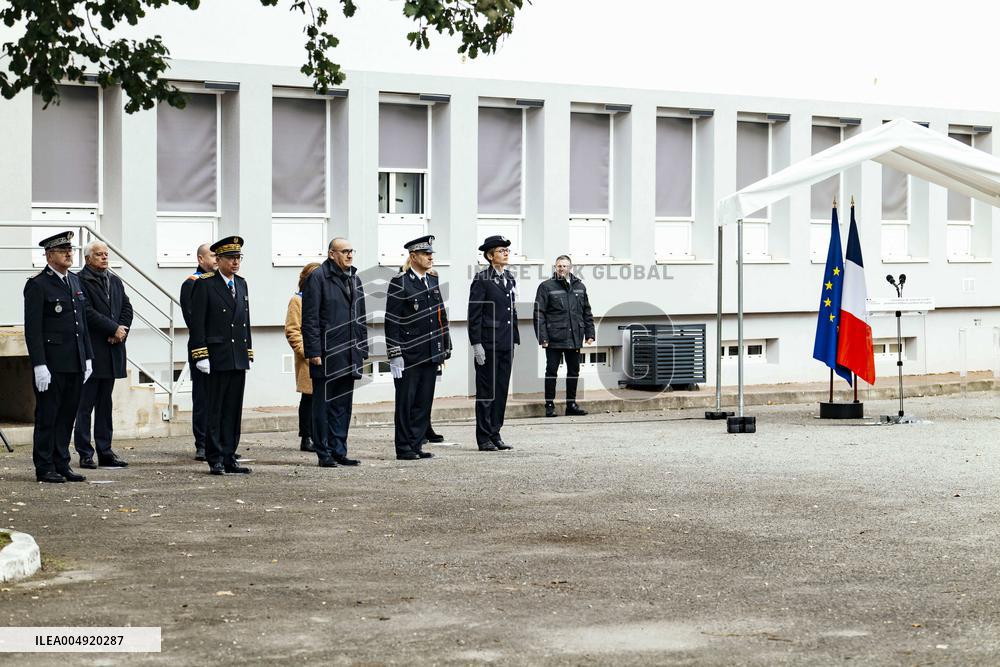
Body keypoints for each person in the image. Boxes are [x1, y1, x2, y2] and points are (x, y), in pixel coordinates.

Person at [23, 231, 93, 483]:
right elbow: (33, 329)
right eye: (63, 251)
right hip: (52, 364)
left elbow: (81, 323)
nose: (69, 254)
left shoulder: (74, 281)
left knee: (67, 416)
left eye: (70, 250)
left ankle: (62, 463)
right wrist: (39, 364)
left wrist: (87, 357)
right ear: (49, 255)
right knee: (48, 417)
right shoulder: (38, 285)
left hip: (74, 361)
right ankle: (44, 466)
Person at [188, 237, 253, 475]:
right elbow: (198, 323)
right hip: (216, 356)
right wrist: (201, 354)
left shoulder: (242, 284)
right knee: (214, 409)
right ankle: (214, 456)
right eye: (230, 258)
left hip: (236, 355)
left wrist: (248, 351)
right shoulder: (205, 284)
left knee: (233, 410)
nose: (235, 262)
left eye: (238, 258)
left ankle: (229, 456)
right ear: (219, 260)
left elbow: (244, 321)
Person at [302, 237, 368, 468]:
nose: (350, 255)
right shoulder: (318, 277)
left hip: (349, 352)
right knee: (324, 405)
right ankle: (324, 452)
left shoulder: (354, 278)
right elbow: (309, 319)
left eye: (352, 251)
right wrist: (313, 351)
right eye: (344, 251)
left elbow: (360, 317)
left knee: (343, 405)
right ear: (332, 254)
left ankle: (339, 449)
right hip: (327, 353)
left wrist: (363, 348)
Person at [385, 235, 452, 460]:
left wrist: (444, 344)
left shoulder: (432, 281)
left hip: (430, 352)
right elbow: (392, 320)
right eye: (425, 254)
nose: (430, 257)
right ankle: (404, 447)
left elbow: (439, 315)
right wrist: (394, 354)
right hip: (409, 354)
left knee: (423, 401)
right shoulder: (400, 282)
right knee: (406, 402)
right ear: (413, 256)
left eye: (431, 254)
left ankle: (416, 445)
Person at [73, 241, 133, 468]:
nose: (104, 258)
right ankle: (85, 453)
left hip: (112, 349)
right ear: (88, 259)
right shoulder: (79, 280)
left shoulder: (114, 280)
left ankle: (105, 451)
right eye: (99, 255)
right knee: (85, 404)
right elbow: (85, 311)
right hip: (92, 350)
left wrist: (121, 330)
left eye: (106, 254)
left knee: (105, 405)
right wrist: (111, 328)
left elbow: (127, 308)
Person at [468, 235, 519, 451]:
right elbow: (475, 313)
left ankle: (496, 432)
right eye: (501, 250)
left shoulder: (509, 278)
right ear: (490, 256)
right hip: (489, 344)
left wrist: (514, 338)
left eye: (507, 250)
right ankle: (483, 437)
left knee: (501, 390)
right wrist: (476, 344)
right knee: (487, 391)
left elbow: (511, 311)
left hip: (506, 342)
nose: (506, 253)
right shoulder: (482, 279)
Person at [533, 254, 595, 417]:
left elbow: (586, 312)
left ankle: (571, 405)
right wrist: (543, 338)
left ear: (570, 267)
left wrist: (590, 333)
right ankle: (549, 405)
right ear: (555, 267)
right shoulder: (546, 286)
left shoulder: (580, 286)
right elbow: (539, 314)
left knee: (574, 371)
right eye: (559, 266)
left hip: (575, 337)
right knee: (551, 371)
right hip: (554, 337)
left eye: (565, 266)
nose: (562, 268)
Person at [180, 243, 216, 461]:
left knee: (219, 399)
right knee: (203, 398)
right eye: (212, 255)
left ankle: (218, 442)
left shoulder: (219, 282)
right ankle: (202, 443)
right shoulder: (192, 283)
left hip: (221, 349)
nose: (215, 259)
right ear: (200, 259)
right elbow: (193, 319)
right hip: (202, 347)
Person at [284, 262, 321, 452]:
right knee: (309, 397)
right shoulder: (298, 300)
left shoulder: (323, 297)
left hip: (326, 355)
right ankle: (306, 437)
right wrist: (306, 352)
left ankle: (321, 435)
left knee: (323, 398)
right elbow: (292, 330)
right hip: (309, 357)